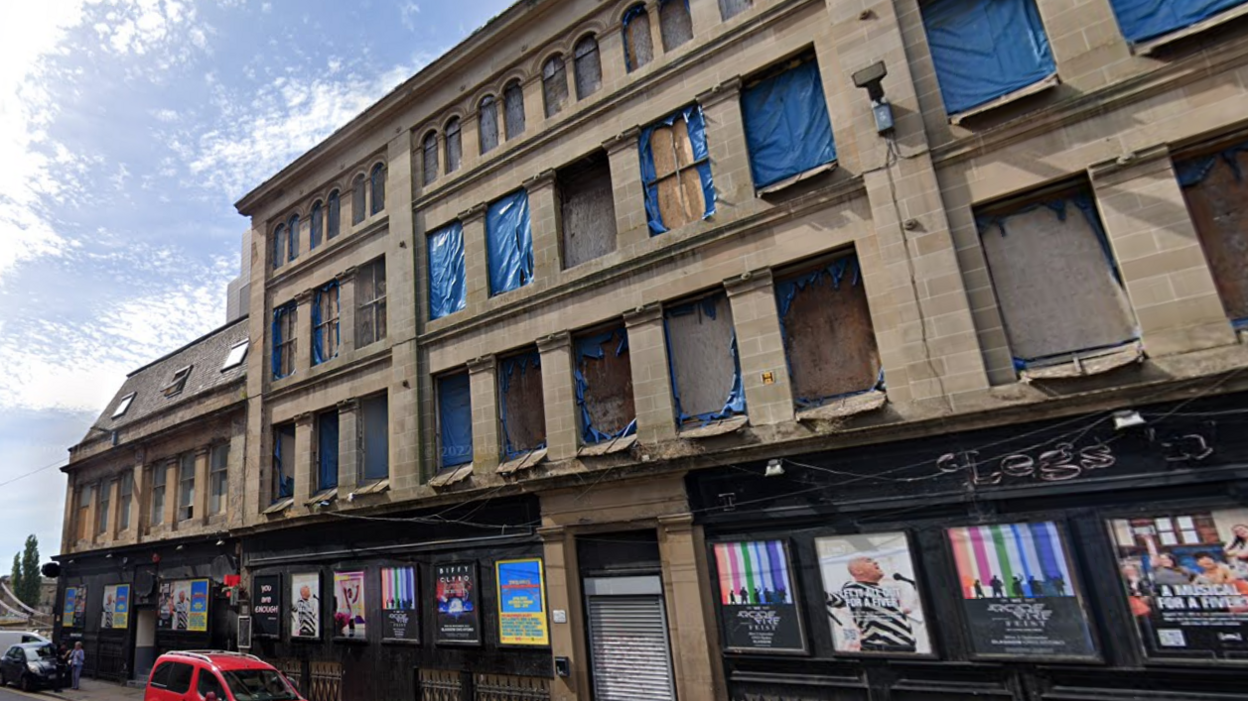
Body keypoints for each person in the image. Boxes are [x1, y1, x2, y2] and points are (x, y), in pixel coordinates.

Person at [825, 556, 918, 653]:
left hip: (905, 650)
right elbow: (838, 599)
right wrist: (822, 595)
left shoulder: (883, 591)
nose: (876, 562)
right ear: (858, 571)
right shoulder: (855, 587)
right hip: (882, 651)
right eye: (869, 561)